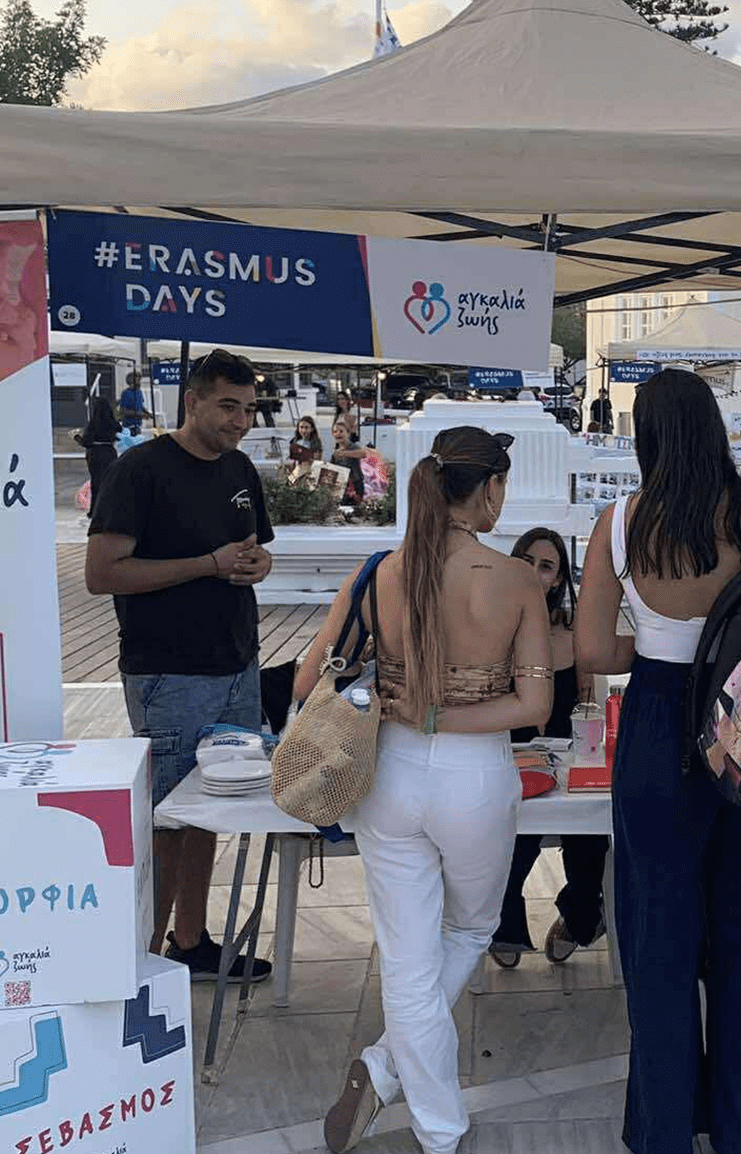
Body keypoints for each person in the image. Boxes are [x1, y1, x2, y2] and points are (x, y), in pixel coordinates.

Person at [575, 368, 741, 1154]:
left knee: (659, 932)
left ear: (646, 436)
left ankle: (665, 1126)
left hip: (659, 722)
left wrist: (659, 646)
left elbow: (590, 651)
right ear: (715, 427)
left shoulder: (621, 524)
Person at [310, 428, 552, 1154]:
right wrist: (444, 716)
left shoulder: (381, 571)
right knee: (471, 929)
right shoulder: (515, 579)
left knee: (407, 959)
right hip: (473, 775)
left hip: (388, 770)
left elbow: (313, 673)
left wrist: (409, 707)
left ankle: (437, 1126)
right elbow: (535, 706)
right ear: (490, 489)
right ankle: (387, 1071)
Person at [85, 348, 275, 983]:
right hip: (168, 673)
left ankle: (190, 943)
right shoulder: (139, 471)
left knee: (212, 809)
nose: (241, 421)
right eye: (228, 406)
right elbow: (101, 573)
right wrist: (207, 565)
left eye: (249, 408)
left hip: (238, 664)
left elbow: (253, 551)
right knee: (168, 819)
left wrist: (258, 564)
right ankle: (140, 970)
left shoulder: (240, 468)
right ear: (190, 402)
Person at [488, 529, 607, 970]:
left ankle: (581, 918)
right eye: (527, 561)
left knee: (589, 839)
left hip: (567, 760)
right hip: (511, 761)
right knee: (515, 839)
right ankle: (504, 924)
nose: (534, 573)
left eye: (546, 566)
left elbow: (588, 705)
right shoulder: (490, 630)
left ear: (558, 579)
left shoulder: (573, 634)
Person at [80, 386, 120, 521]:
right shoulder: (112, 423)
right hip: (110, 452)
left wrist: (77, 437)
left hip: (96, 454)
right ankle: (111, 509)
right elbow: (120, 431)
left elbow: (86, 442)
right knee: (110, 481)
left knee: (96, 482)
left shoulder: (94, 424)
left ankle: (95, 511)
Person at [330, 420, 372, 504]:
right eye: (335, 432)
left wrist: (344, 453)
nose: (338, 433)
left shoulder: (354, 447)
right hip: (342, 486)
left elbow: (364, 453)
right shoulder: (335, 452)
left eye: (341, 431)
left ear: (348, 433)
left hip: (356, 485)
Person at [118, 370, 150, 436]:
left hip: (138, 425)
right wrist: (139, 414)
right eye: (138, 380)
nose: (140, 383)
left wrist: (146, 412)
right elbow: (124, 411)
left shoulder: (139, 392)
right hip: (129, 426)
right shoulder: (126, 393)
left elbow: (140, 405)